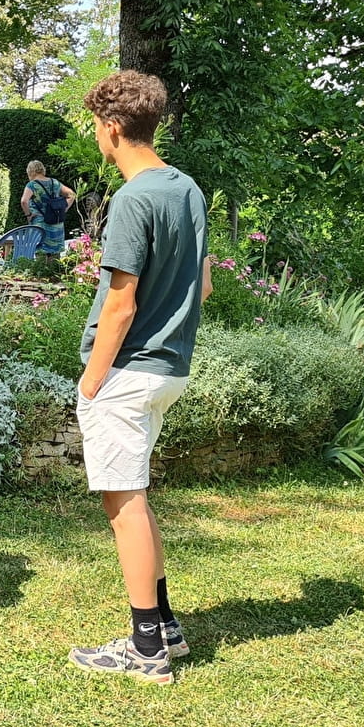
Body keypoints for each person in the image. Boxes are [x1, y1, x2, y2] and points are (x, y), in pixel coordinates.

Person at [70, 70, 213, 684]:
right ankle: (166, 626)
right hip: (169, 366)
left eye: (96, 129)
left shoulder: (133, 199)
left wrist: (90, 381)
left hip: (126, 372)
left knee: (122, 503)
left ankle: (145, 648)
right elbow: (203, 283)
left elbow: (120, 305)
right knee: (137, 494)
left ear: (112, 128)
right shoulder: (186, 189)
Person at [20, 160, 76, 257]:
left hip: (39, 223)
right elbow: (71, 194)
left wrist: (28, 215)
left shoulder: (32, 185)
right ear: (43, 169)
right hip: (56, 222)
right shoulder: (55, 182)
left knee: (40, 253)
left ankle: (41, 271)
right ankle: (53, 271)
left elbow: (24, 201)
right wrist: (64, 208)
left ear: (30, 171)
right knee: (55, 254)